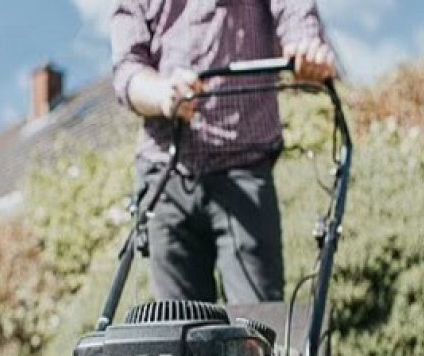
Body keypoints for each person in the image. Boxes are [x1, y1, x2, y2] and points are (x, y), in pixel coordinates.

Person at [111, 0, 336, 303]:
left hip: (244, 167)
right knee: (178, 330)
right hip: (164, 175)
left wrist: (305, 44)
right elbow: (127, 69)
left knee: (257, 329)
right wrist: (164, 93)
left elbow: (294, 10)